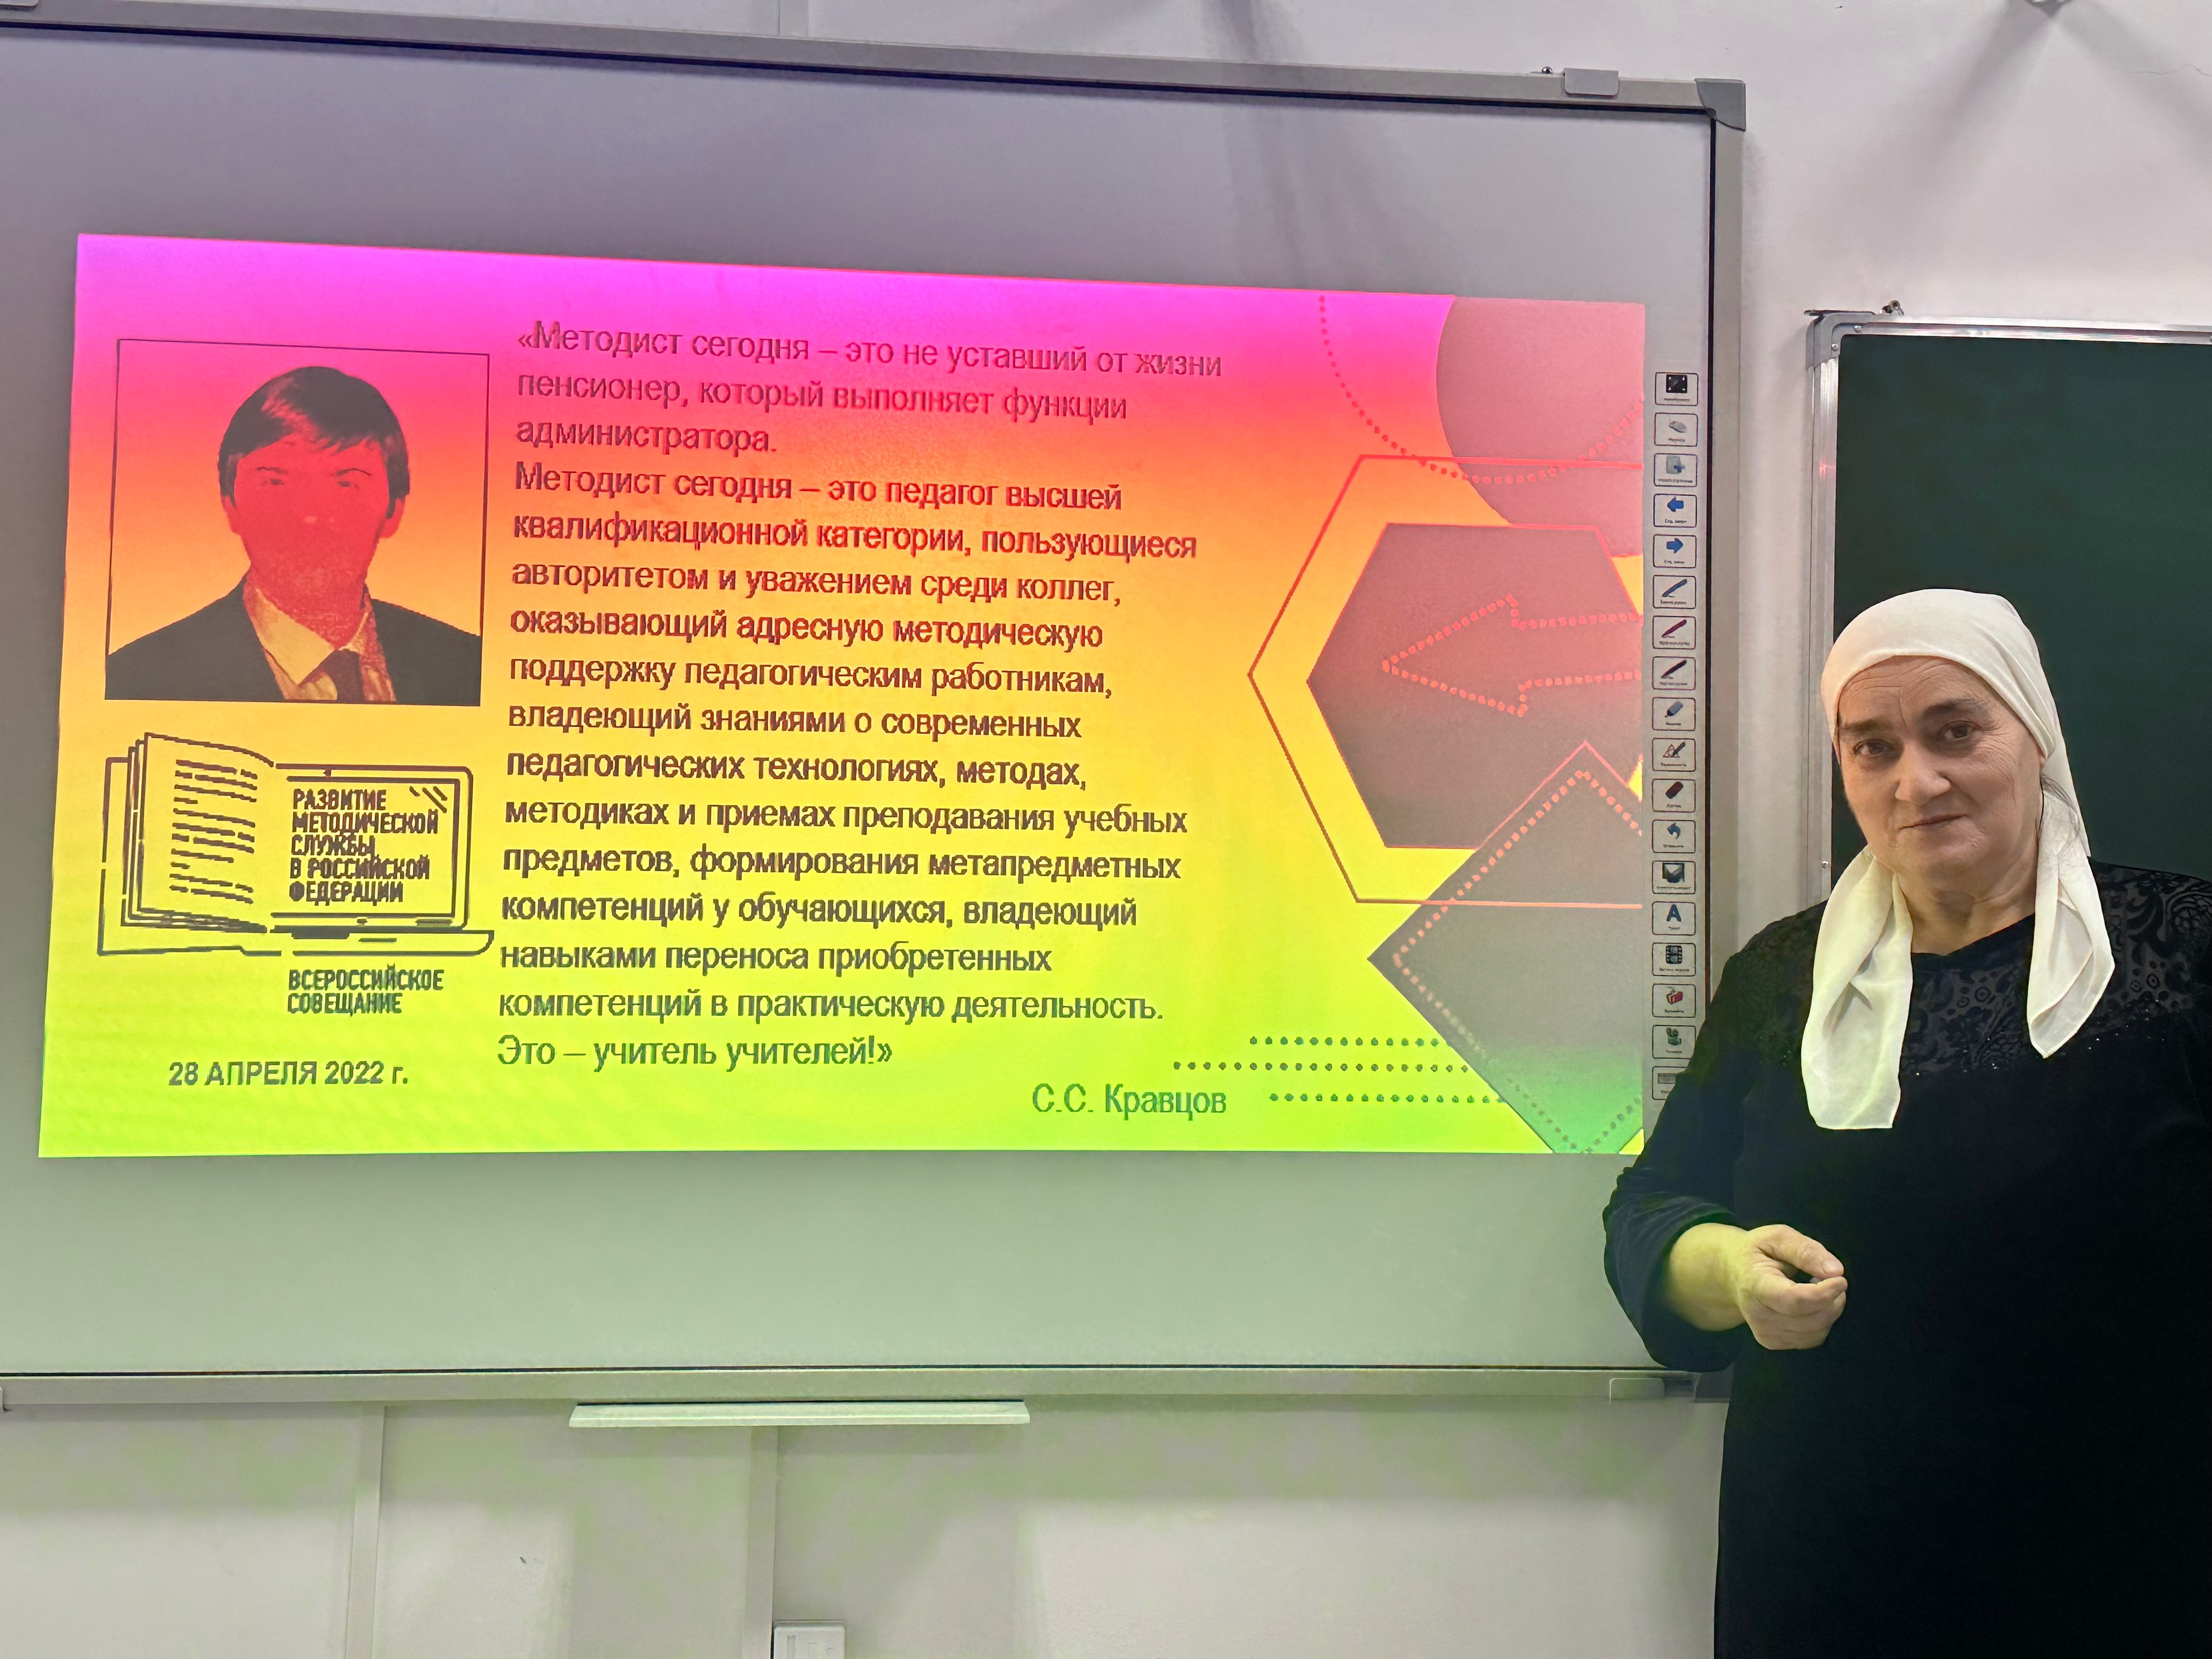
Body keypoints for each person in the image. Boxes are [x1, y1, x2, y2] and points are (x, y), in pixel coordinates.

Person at [1605, 589, 2212, 1657]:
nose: (1915, 781)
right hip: (1829, 1570)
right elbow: (1652, 1205)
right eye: (1872, 746)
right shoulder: (1781, 979)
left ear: (2034, 736)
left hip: (2123, 1564)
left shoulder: (2180, 953)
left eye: (1955, 731)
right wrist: (1729, 1270)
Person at [106, 365, 480, 704]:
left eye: (347, 484)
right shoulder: (139, 678)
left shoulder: (469, 666)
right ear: (230, 505)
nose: (310, 517)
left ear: (393, 511)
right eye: (275, 482)